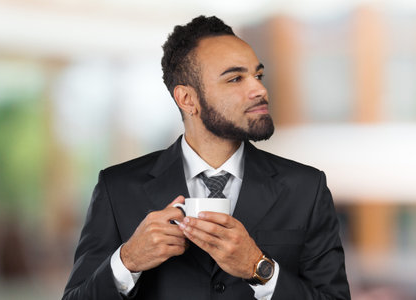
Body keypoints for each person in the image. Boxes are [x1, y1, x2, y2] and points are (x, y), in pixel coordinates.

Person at [62, 15, 350, 300]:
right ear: (187, 99)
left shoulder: (306, 188)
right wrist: (127, 262)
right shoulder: (118, 188)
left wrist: (260, 268)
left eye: (258, 75)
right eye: (236, 78)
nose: (260, 90)